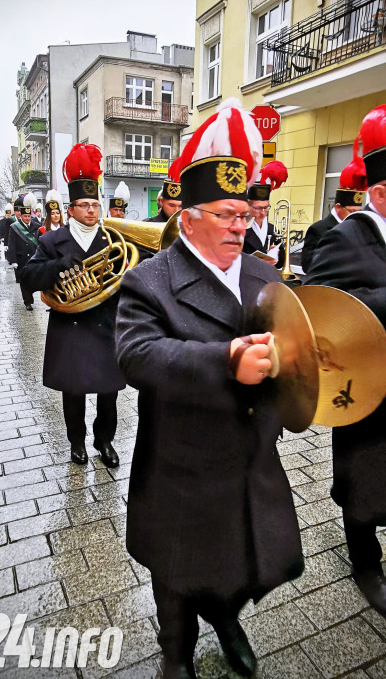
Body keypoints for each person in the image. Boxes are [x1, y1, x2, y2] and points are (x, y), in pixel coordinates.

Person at [116, 100, 304, 679]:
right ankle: (176, 653)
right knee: (174, 575)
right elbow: (137, 355)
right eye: (225, 215)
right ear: (189, 216)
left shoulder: (263, 273)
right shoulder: (149, 281)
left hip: (247, 461)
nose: (238, 227)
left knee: (235, 561)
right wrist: (225, 360)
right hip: (180, 465)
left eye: (244, 215)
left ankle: (226, 620)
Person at [306, 104, 386, 616]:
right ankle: (365, 563)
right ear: (379, 193)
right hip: (367, 390)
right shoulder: (347, 236)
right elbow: (319, 306)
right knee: (365, 481)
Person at [22, 143, 123, 468]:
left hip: (106, 326)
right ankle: (76, 442)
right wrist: (57, 267)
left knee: (109, 394)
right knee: (73, 393)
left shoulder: (112, 239)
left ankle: (104, 440)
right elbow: (27, 276)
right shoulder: (52, 242)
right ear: (71, 208)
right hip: (71, 327)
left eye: (96, 204)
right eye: (84, 205)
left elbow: (125, 277)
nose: (92, 211)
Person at [301, 161, 365, 273]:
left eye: (358, 211)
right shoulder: (318, 229)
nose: (355, 215)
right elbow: (307, 265)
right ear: (338, 207)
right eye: (351, 211)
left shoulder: (358, 229)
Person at [243, 161, 287, 267]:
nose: (263, 213)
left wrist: (277, 256)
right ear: (248, 206)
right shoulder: (241, 228)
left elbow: (281, 263)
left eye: (266, 208)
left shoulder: (272, 229)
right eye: (258, 208)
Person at [6, 193, 39, 310]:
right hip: (21, 259)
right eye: (25, 216)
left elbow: (40, 243)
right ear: (21, 216)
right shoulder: (14, 227)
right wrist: (13, 260)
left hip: (34, 259)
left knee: (33, 280)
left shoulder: (36, 226)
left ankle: (30, 296)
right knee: (24, 281)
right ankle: (27, 302)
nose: (27, 218)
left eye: (29, 216)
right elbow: (12, 245)